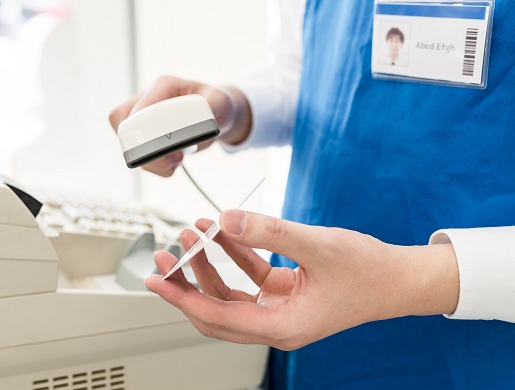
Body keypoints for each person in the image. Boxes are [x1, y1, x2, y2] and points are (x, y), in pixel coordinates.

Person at [110, 0, 515, 388]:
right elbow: (313, 72)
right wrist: (231, 108)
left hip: (474, 352)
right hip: (308, 315)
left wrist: (407, 278)